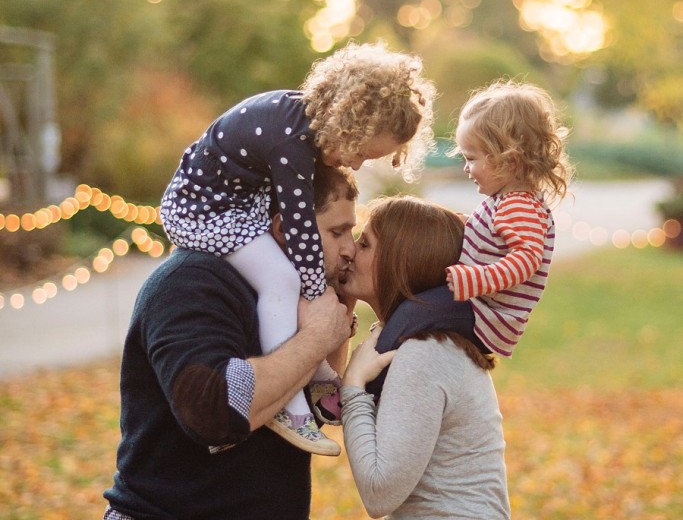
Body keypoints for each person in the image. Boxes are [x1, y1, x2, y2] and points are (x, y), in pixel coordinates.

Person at [159, 41, 435, 453]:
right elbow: (300, 227)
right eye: (360, 152)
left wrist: (330, 316)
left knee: (290, 280)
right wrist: (317, 298)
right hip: (204, 208)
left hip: (235, 203)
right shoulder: (193, 283)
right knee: (282, 279)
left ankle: (305, 392)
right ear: (349, 121)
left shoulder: (298, 128)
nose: (356, 164)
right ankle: (289, 410)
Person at [103, 163, 359, 520]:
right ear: (285, 227)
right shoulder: (190, 283)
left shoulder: (289, 296)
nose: (350, 249)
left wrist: (340, 309)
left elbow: (317, 409)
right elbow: (216, 411)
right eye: (337, 232)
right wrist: (315, 339)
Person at [340, 196, 511, 520]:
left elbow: (379, 494)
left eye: (365, 244)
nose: (349, 251)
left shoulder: (424, 353)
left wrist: (353, 388)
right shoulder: (425, 342)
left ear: (401, 261)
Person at [444, 79, 573, 357]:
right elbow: (498, 238)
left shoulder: (519, 205)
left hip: (488, 319)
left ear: (509, 162)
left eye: (471, 158)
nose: (466, 168)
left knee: (419, 310)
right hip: (481, 311)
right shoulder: (507, 201)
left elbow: (526, 259)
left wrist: (478, 279)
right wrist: (469, 224)